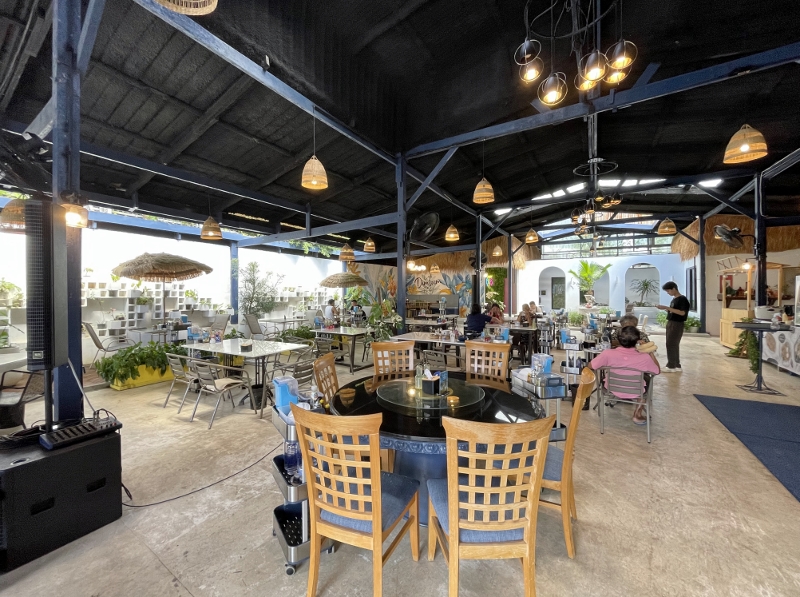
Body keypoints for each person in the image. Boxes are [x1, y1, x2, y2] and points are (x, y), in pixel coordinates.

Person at [590, 326, 660, 425]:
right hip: (636, 391)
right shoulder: (644, 357)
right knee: (646, 380)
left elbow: (591, 366)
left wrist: (605, 365)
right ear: (637, 340)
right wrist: (650, 352)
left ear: (618, 339)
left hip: (611, 388)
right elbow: (657, 371)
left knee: (606, 377)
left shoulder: (608, 353)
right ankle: (637, 414)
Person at [657, 282, 690, 372]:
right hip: (672, 322)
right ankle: (676, 365)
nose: (668, 293)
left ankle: (671, 366)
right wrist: (666, 309)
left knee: (671, 344)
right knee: (673, 344)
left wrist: (667, 307)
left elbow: (682, 312)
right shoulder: (674, 299)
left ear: (674, 288)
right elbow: (674, 311)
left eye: (668, 290)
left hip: (676, 324)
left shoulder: (682, 299)